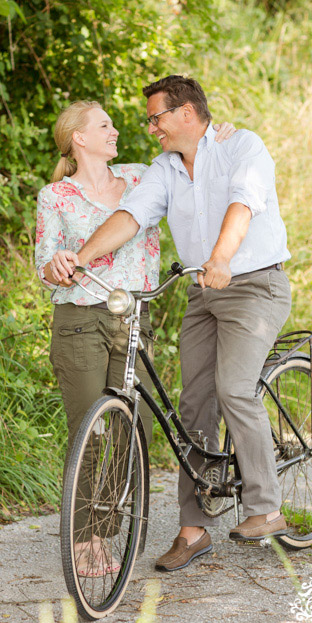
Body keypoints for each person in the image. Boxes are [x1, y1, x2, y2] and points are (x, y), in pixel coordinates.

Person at [60, 75, 291, 573]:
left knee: (233, 388)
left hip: (253, 285)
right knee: (192, 406)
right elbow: (131, 215)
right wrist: (80, 257)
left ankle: (266, 507)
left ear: (186, 113)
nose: (151, 128)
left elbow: (243, 204)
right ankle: (193, 531)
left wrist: (222, 256)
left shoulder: (242, 146)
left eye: (156, 117)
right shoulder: (164, 169)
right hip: (204, 293)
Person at [36, 101, 234, 578]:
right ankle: (83, 536)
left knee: (133, 430)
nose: (115, 130)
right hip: (79, 319)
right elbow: (44, 268)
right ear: (79, 138)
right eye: (104, 125)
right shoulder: (56, 196)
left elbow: (193, 163)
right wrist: (58, 266)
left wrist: (215, 138)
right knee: (90, 430)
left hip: (134, 321)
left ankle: (108, 530)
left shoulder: (144, 174)